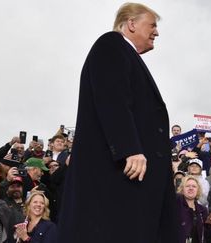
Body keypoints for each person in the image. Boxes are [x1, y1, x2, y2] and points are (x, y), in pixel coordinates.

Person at [57, 3, 177, 243]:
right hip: (117, 177)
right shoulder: (111, 45)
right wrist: (129, 148)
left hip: (134, 181)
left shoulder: (128, 56)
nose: (157, 32)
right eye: (152, 25)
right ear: (131, 24)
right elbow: (111, 97)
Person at [176, 175, 211, 243]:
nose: (191, 188)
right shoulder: (176, 204)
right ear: (182, 189)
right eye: (187, 186)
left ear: (198, 190)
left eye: (194, 186)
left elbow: (206, 235)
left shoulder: (203, 210)